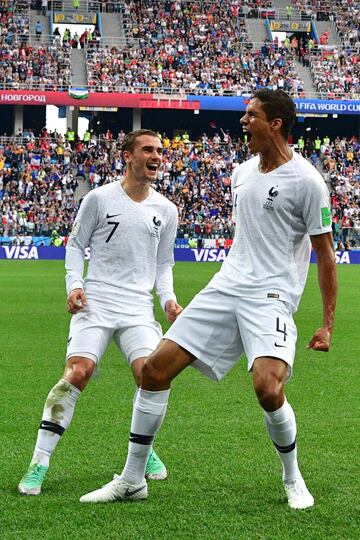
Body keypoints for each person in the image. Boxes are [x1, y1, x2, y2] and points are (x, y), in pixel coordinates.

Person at [80, 90, 337, 509]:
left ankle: (293, 479)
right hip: (226, 285)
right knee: (154, 371)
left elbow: (326, 255)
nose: (243, 121)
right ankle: (131, 479)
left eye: (251, 115)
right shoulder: (241, 172)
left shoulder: (308, 182)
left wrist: (326, 323)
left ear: (275, 124)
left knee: (268, 389)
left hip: (270, 295)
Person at [18, 129, 182, 496]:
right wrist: (74, 285)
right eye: (147, 150)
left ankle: (144, 453)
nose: (156, 156)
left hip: (138, 307)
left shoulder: (166, 210)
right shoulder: (98, 198)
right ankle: (38, 463)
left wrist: (168, 299)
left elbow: (164, 263)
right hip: (97, 301)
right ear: (128, 156)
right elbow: (75, 246)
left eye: (159, 151)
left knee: (150, 376)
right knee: (77, 373)